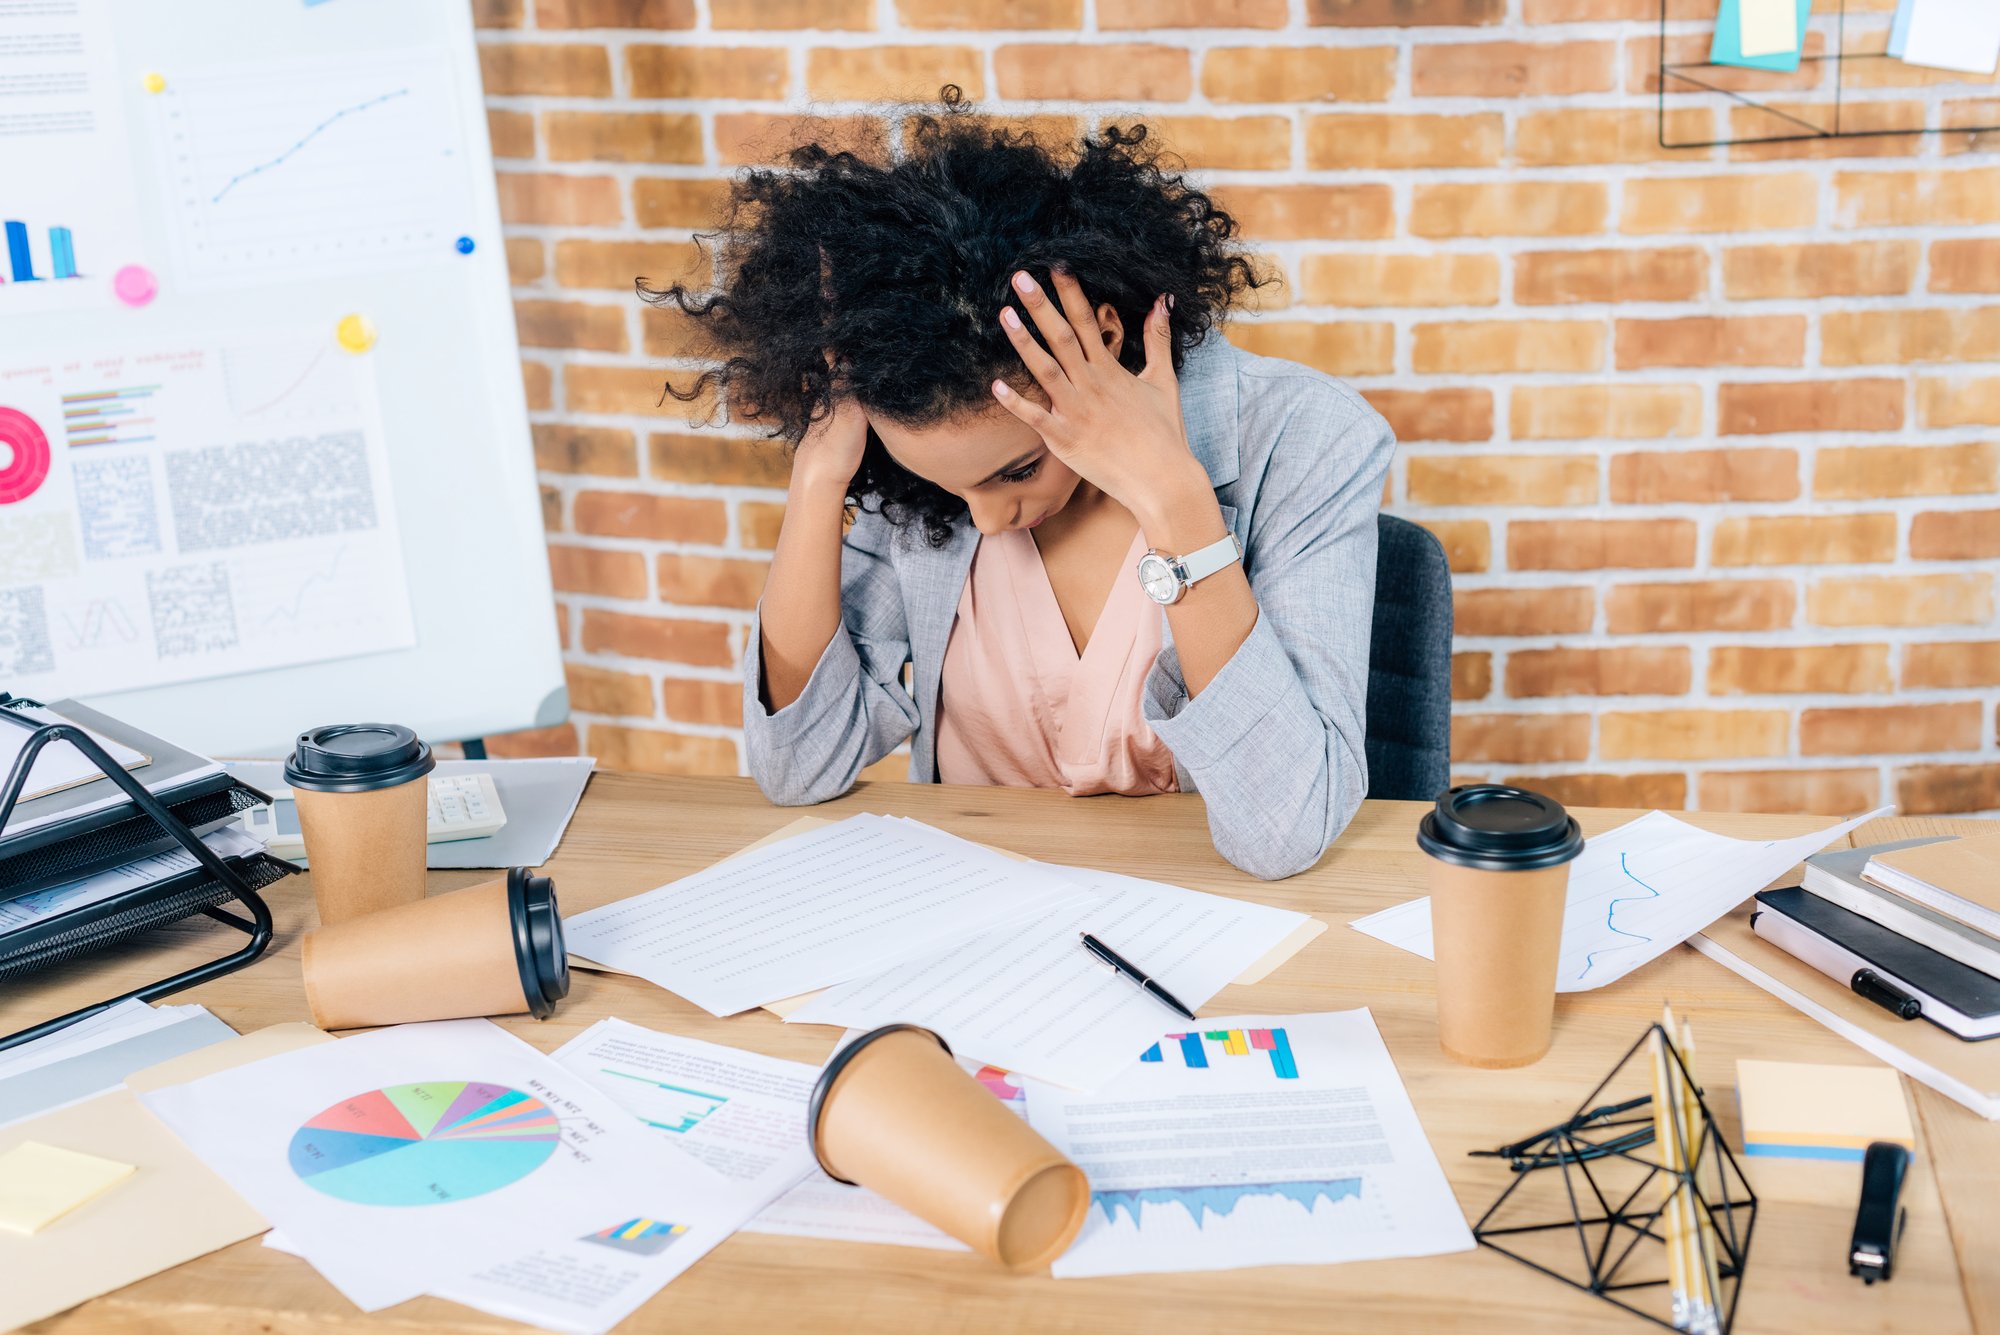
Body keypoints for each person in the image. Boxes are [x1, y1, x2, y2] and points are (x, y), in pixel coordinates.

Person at [647, 91, 1394, 880]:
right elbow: (799, 766)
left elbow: (1284, 831)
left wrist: (1178, 502)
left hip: (1198, 928)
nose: (988, 520)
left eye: (1016, 470)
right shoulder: (924, 455)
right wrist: (822, 469)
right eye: (951, 485)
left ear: (1102, 339)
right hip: (969, 928)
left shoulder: (1308, 439)